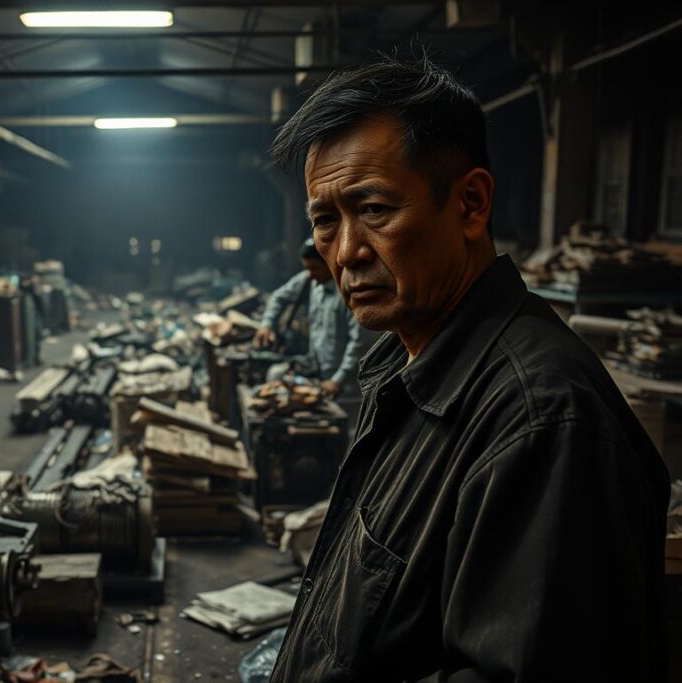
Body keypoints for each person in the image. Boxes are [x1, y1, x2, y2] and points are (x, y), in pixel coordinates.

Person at [268, 55, 669, 681]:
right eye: (326, 221)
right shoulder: (412, 367)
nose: (346, 252)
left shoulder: (541, 421)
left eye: (374, 209)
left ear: (471, 204)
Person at [254, 238, 376, 396]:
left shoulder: (350, 293)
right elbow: (278, 297)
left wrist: (338, 379)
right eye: (307, 268)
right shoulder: (309, 280)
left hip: (343, 378)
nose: (310, 274)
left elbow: (360, 342)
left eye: (314, 268)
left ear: (330, 262)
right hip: (315, 366)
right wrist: (267, 324)